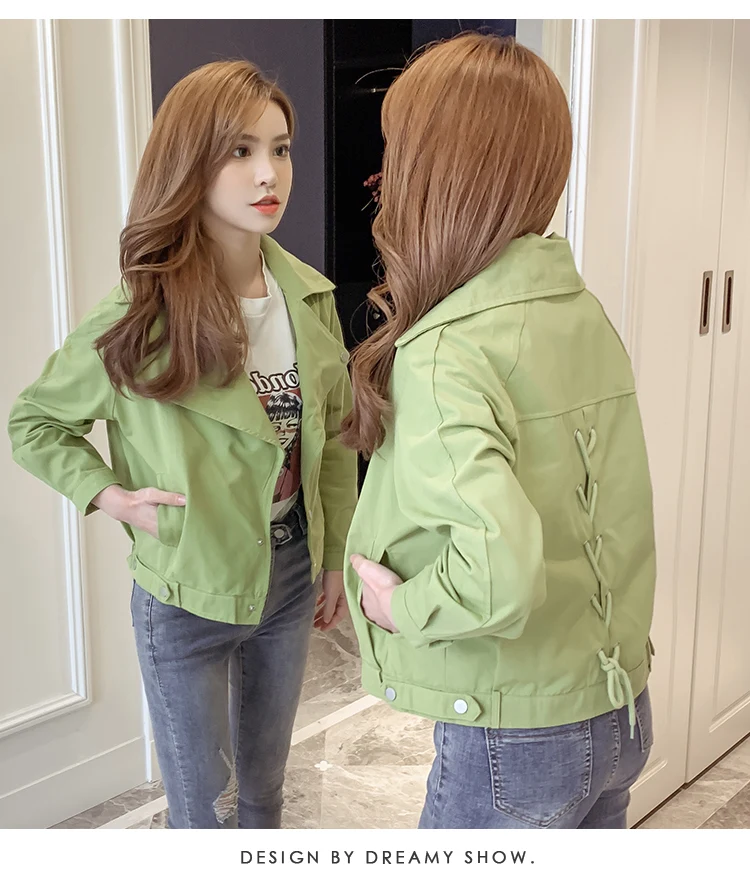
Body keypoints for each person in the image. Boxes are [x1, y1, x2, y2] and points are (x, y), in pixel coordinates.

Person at [8, 60, 357, 829]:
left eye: (281, 148)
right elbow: (34, 422)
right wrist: (110, 495)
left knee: (266, 790)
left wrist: (334, 557)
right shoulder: (139, 311)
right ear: (189, 162)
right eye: (239, 150)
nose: (269, 173)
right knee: (203, 806)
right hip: (185, 586)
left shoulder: (310, 296)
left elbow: (332, 437)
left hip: (290, 571)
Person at [341, 33, 656, 829]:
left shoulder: (446, 350)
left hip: (518, 736)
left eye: (398, 148)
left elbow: (499, 572)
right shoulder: (579, 312)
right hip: (618, 709)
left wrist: (401, 608)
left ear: (433, 169)